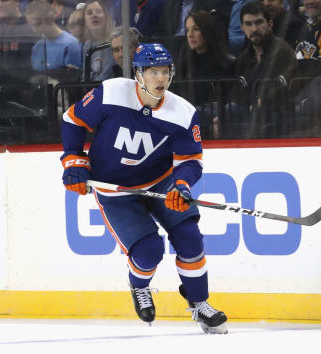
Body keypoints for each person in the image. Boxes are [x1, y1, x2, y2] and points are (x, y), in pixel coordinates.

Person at [59, 42, 228, 334]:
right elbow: (72, 121)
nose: (161, 79)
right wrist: (73, 159)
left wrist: (181, 184)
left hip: (161, 183)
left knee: (189, 238)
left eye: (165, 72)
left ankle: (199, 303)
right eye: (153, 72)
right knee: (149, 250)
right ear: (138, 73)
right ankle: (139, 286)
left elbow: (190, 161)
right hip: (116, 191)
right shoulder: (111, 93)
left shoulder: (183, 113)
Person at [234, 1, 297, 138]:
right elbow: (237, 93)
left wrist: (258, 104)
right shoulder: (243, 59)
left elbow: (281, 88)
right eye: (248, 24)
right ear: (242, 28)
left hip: (278, 119)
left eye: (259, 22)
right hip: (249, 117)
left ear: (270, 24)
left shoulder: (282, 51)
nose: (254, 29)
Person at [176, 10, 236, 139]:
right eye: (187, 30)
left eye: (196, 29)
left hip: (216, 117)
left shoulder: (227, 64)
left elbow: (230, 101)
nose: (190, 35)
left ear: (207, 31)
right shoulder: (185, 64)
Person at [25, 0, 81, 73]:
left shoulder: (70, 44)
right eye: (31, 25)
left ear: (49, 19)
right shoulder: (37, 47)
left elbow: (73, 78)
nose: (33, 30)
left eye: (36, 24)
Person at [0, 0, 34, 84]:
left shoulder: (32, 29)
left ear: (17, 1)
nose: (0, 5)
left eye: (4, 0)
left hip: (24, 88)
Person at [81, 0, 115, 81]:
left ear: (106, 17)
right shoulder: (87, 45)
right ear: (85, 22)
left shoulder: (114, 41)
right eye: (89, 13)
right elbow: (85, 77)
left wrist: (91, 78)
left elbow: (106, 77)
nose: (94, 15)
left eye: (98, 11)